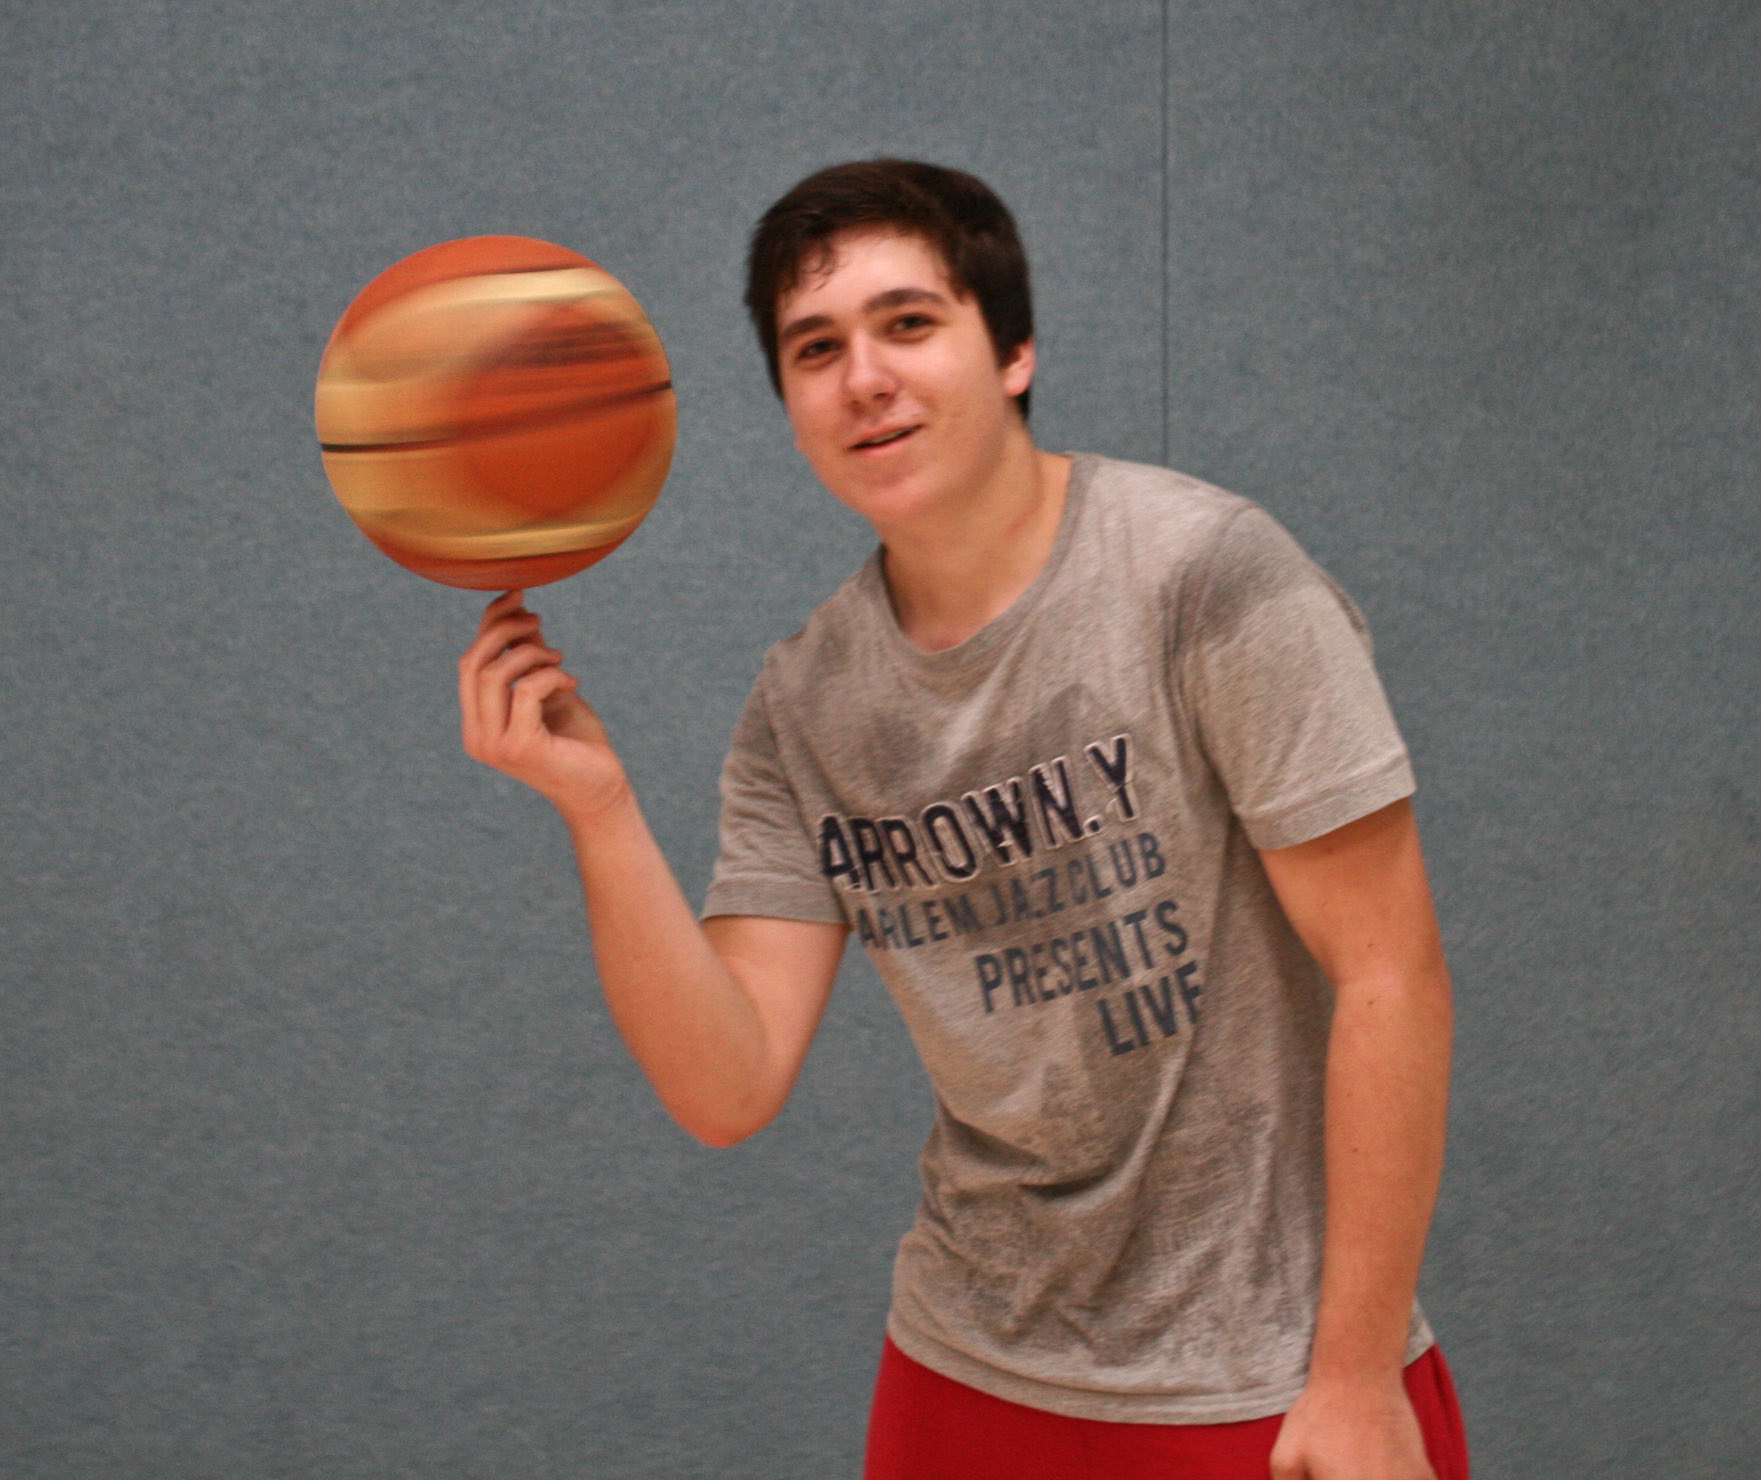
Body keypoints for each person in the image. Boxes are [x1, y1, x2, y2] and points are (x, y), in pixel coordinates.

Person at [457, 159, 1466, 1480]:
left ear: (1013, 350)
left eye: (909, 323)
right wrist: (598, 811)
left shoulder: (1205, 578)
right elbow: (726, 1083)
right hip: (967, 1372)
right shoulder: (805, 705)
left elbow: (1392, 975)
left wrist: (1353, 1376)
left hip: (1267, 1381)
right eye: (816, 348)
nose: (863, 378)